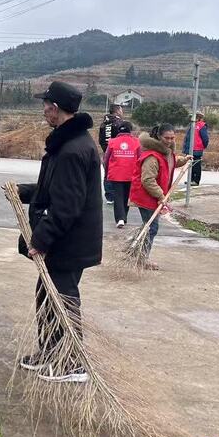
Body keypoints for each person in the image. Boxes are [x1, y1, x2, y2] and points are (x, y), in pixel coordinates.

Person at [17, 81, 102, 383]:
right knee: (47, 296)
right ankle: (51, 353)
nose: (43, 111)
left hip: (70, 243)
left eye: (45, 106)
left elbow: (67, 206)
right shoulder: (68, 143)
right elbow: (54, 189)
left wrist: (40, 240)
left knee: (63, 299)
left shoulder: (72, 150)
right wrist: (23, 192)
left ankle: (72, 363)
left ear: (54, 108)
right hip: (65, 241)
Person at [129, 123, 191, 269]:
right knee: (151, 227)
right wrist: (161, 196)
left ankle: (138, 254)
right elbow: (147, 180)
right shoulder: (152, 156)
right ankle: (142, 259)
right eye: (166, 138)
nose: (170, 141)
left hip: (155, 197)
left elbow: (171, 162)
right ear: (159, 137)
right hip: (146, 197)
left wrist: (184, 159)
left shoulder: (166, 152)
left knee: (149, 227)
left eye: (172, 138)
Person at [102, 120, 139, 228]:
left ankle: (120, 219)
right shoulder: (136, 142)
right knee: (126, 196)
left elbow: (106, 158)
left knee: (118, 195)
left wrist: (107, 171)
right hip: (131, 174)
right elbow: (140, 158)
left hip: (116, 174)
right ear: (130, 130)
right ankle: (124, 217)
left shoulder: (112, 142)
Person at [97, 104, 123, 204]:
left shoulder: (103, 124)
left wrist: (106, 149)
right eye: (121, 110)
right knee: (119, 174)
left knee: (108, 173)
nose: (122, 113)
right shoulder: (119, 123)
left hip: (106, 152)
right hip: (119, 153)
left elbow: (100, 139)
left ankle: (109, 196)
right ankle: (118, 195)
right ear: (117, 111)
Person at [183, 111, 210, 185]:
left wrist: (202, 146)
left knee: (196, 165)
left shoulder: (201, 126)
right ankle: (190, 179)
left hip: (197, 149)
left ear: (198, 117)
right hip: (189, 149)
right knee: (190, 165)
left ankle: (196, 180)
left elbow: (205, 138)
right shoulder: (191, 125)